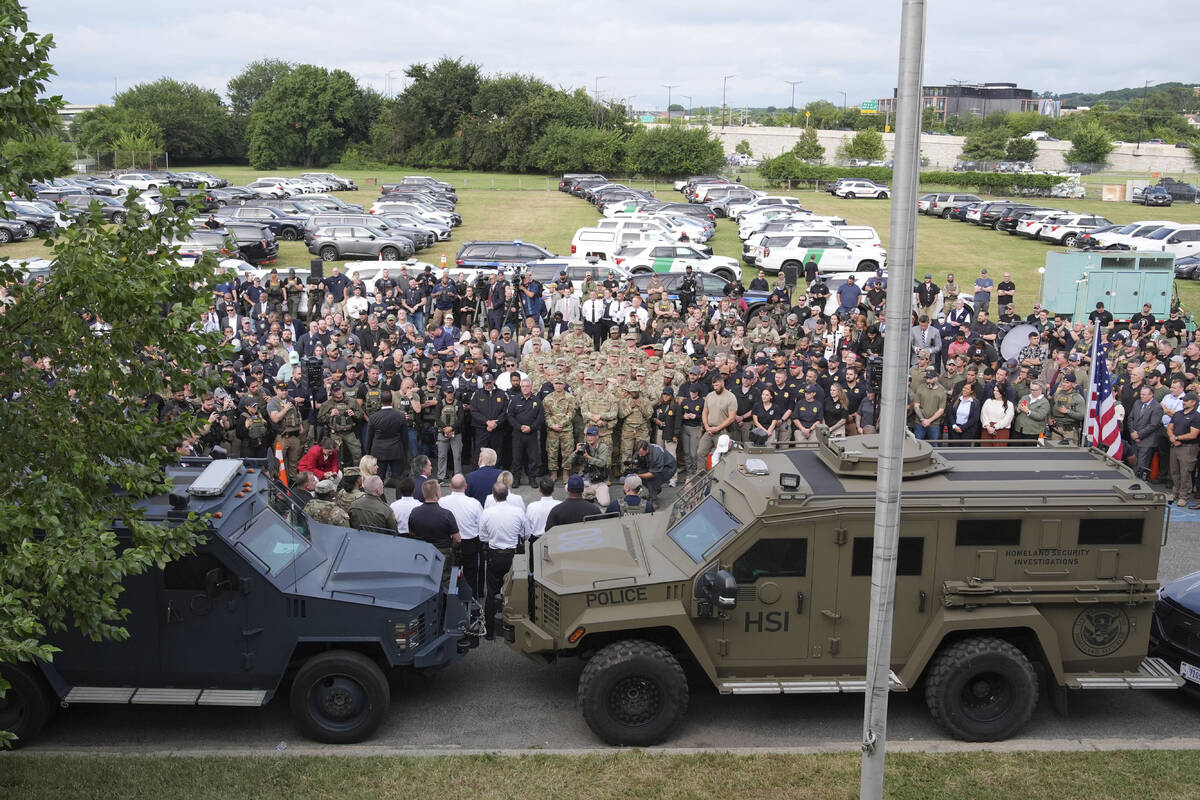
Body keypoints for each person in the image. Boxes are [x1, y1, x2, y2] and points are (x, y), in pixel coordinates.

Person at [478, 481, 529, 639]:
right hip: (512, 555)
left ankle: (489, 631)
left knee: (492, 592)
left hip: (494, 555)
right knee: (514, 592)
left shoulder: (487, 513)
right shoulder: (518, 512)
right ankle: (513, 630)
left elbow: (482, 536)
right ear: (507, 494)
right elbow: (526, 534)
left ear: (493, 496)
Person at [439, 474, 484, 602]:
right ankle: (471, 602)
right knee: (471, 575)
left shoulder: (442, 502)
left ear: (451, 486)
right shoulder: (474, 504)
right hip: (470, 543)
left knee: (449, 575)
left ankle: (450, 602)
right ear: (466, 486)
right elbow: (481, 525)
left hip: (450, 543)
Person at [408, 480, 461, 584]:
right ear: (437, 494)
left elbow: (411, 533)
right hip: (443, 552)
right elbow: (457, 539)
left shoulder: (414, 512)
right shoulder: (446, 514)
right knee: (444, 581)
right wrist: (451, 547)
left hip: (422, 552)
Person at [367, 390, 407, 487]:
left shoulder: (373, 417)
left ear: (380, 401)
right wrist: (404, 452)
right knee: (398, 479)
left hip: (378, 452)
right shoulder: (401, 416)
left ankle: (379, 500)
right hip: (396, 451)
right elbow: (405, 437)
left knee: (378, 479)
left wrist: (368, 452)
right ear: (392, 400)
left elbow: (369, 437)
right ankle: (400, 500)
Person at [1167, 392, 1200, 507]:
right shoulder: (1178, 414)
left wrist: (1177, 437)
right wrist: (1172, 437)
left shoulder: (1196, 416)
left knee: (1185, 472)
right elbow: (1170, 427)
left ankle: (1184, 496)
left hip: (1188, 447)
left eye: (1186, 400)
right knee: (1174, 471)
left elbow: (1193, 434)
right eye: (1183, 400)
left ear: (1193, 402)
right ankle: (1175, 492)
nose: (1183, 402)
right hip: (1175, 446)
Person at [696, 373, 738, 461]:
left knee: (722, 456)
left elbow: (732, 418)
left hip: (723, 431)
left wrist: (718, 428)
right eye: (713, 385)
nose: (715, 387)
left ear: (722, 383)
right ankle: (701, 474)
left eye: (717, 385)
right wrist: (706, 427)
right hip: (709, 430)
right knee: (700, 452)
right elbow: (705, 412)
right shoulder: (710, 396)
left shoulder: (731, 397)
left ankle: (718, 474)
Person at [571, 425, 612, 507]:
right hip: (584, 480)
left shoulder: (603, 447)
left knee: (605, 503)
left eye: (592, 435)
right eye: (588, 435)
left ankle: (589, 494)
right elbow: (568, 463)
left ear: (597, 436)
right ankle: (590, 494)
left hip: (598, 481)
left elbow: (602, 463)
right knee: (567, 487)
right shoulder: (584, 447)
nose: (590, 438)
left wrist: (588, 457)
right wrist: (575, 452)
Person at [1127, 385, 1162, 480]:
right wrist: (1132, 432)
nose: (1141, 396)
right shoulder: (1137, 403)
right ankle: (1132, 481)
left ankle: (1140, 484)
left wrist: (1139, 434)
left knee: (1141, 465)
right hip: (1134, 439)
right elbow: (1130, 418)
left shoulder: (1157, 407)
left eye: (1144, 394)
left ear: (1151, 395)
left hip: (1146, 441)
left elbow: (1153, 425)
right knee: (1134, 463)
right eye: (1141, 394)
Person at [630, 438, 676, 503]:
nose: (640, 455)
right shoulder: (640, 449)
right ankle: (655, 490)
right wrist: (634, 468)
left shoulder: (656, 454)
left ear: (647, 449)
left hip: (667, 468)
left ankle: (654, 502)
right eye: (639, 453)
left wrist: (637, 475)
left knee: (651, 479)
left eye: (641, 453)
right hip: (651, 464)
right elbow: (636, 460)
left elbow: (653, 474)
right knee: (641, 475)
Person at [524, 477, 561, 542]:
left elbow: (527, 526)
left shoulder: (531, 506)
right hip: (554, 540)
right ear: (553, 490)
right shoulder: (560, 505)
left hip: (536, 540)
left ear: (539, 490)